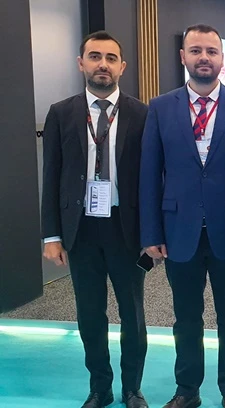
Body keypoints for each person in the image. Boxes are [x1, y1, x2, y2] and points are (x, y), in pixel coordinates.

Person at [139, 24, 225, 408]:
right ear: (183, 57)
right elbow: (149, 174)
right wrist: (150, 232)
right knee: (186, 317)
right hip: (179, 231)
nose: (204, 57)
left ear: (222, 58)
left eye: (211, 51)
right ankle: (187, 389)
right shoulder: (161, 108)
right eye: (196, 50)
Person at [41, 31, 149, 408]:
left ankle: (132, 388)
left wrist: (153, 233)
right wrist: (51, 235)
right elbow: (52, 175)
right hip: (81, 228)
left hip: (126, 229)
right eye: (95, 56)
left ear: (122, 66)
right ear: (81, 63)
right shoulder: (60, 112)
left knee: (133, 313)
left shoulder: (141, 113)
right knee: (90, 313)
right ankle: (99, 387)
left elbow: (153, 178)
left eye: (110, 58)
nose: (103, 64)